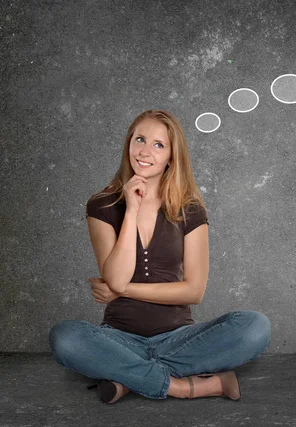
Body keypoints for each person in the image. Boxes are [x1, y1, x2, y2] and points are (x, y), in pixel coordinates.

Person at [49, 110, 271, 404]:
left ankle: (128, 379)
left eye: (158, 145)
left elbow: (193, 291)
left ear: (171, 156)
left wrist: (123, 290)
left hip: (179, 339)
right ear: (128, 144)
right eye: (139, 139)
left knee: (255, 327)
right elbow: (115, 275)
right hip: (118, 340)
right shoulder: (102, 205)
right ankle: (182, 386)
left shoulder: (190, 210)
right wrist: (131, 209)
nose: (144, 151)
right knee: (65, 337)